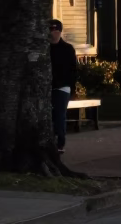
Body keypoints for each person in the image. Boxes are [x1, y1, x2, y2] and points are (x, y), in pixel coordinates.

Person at [49, 19, 77, 154]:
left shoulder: (67, 49)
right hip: (47, 87)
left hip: (62, 87)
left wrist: (72, 87)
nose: (51, 33)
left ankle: (60, 142)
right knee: (48, 115)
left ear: (59, 31)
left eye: (53, 30)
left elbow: (73, 69)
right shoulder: (45, 49)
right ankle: (50, 140)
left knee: (60, 114)